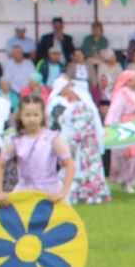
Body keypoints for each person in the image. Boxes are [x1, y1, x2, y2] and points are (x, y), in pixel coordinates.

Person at [0, 96, 75, 204]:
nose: (32, 119)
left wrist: (64, 191)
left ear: (42, 116)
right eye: (27, 115)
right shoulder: (16, 140)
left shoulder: (53, 138)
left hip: (51, 192)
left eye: (36, 115)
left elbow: (70, 164)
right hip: (24, 192)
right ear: (20, 116)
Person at [50, 75, 110, 205]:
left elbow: (79, 129)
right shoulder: (79, 106)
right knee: (85, 169)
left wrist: (69, 144)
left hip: (82, 146)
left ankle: (83, 193)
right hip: (86, 145)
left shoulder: (80, 107)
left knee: (82, 169)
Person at [105, 69, 135, 194]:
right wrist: (112, 127)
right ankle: (124, 179)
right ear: (127, 81)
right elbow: (114, 111)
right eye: (134, 80)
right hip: (125, 126)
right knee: (128, 154)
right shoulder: (122, 94)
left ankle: (130, 180)